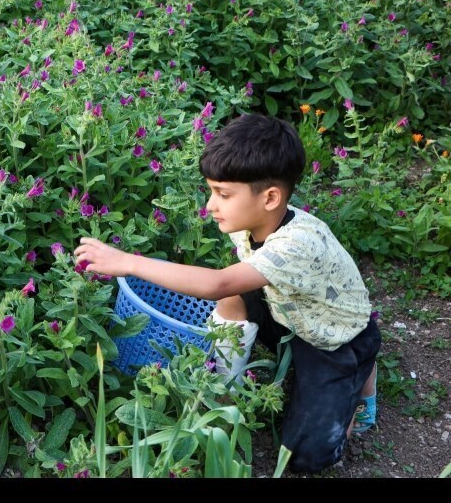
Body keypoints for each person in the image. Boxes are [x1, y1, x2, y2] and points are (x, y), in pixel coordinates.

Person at [73, 113, 380, 473]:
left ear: (270, 198)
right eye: (211, 190)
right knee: (233, 297)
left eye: (222, 194)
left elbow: (216, 282)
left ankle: (362, 372)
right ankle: (222, 390)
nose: (210, 205)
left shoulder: (297, 244)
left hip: (333, 339)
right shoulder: (254, 220)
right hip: (288, 309)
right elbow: (227, 287)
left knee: (306, 458)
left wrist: (127, 261)